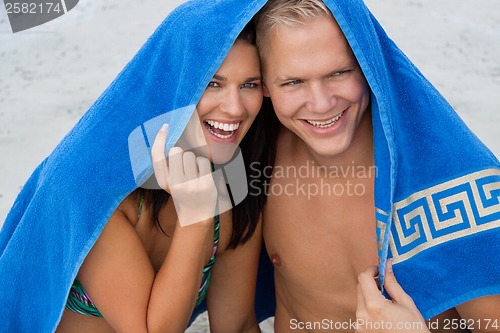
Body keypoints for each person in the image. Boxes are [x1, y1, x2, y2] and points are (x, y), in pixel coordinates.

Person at [253, 0, 500, 332]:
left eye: (339, 73)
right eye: (292, 82)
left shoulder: (453, 182)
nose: (322, 103)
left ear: (370, 66)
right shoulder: (257, 160)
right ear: (264, 85)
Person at [54, 22, 270, 332]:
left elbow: (236, 325)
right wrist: (196, 218)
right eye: (212, 83)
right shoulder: (99, 193)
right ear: (174, 86)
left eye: (249, 84)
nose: (235, 108)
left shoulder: (235, 190)